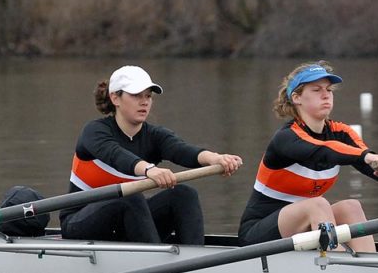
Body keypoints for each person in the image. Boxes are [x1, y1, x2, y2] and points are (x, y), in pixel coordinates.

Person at [238, 61, 378, 251]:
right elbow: (324, 150)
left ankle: (369, 267)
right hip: (257, 235)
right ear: (297, 98)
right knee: (317, 205)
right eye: (316, 90)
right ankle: (338, 267)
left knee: (351, 206)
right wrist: (366, 156)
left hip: (303, 229)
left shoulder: (342, 132)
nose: (326, 95)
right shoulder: (286, 138)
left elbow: (372, 167)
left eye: (329, 89)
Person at [60, 65, 242, 244]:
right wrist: (149, 170)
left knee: (184, 194)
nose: (144, 102)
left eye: (148, 96)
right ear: (115, 98)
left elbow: (181, 150)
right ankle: (155, 261)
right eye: (136, 95)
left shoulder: (154, 135)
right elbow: (117, 155)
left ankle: (194, 260)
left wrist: (215, 159)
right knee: (131, 196)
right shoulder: (94, 132)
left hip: (126, 222)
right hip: (79, 224)